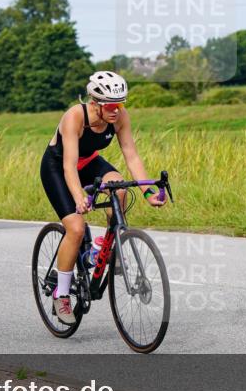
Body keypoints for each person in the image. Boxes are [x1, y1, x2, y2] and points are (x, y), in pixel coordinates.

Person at [40, 71, 165, 324]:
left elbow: (132, 155)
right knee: (75, 229)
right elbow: (69, 165)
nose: (117, 110)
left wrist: (148, 192)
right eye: (111, 105)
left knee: (119, 189)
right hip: (58, 167)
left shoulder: (119, 117)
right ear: (95, 103)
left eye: (121, 104)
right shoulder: (75, 116)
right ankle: (61, 292)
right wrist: (79, 197)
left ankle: (107, 248)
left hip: (90, 164)